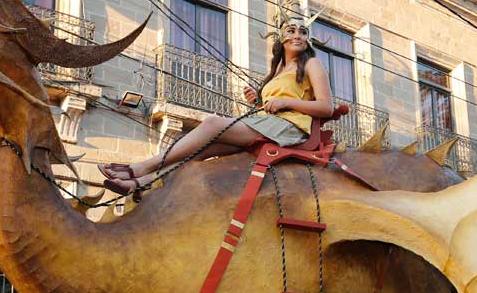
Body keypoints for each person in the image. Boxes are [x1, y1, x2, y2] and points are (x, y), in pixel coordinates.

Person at [100, 17, 334, 196]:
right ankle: (141, 183)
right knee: (199, 151)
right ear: (281, 39)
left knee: (212, 123)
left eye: (303, 32)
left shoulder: (312, 64)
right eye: (291, 31)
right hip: (269, 124)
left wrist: (285, 101)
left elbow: (326, 108)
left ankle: (141, 167)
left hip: (289, 129)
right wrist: (258, 102)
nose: (298, 36)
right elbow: (273, 106)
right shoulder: (277, 72)